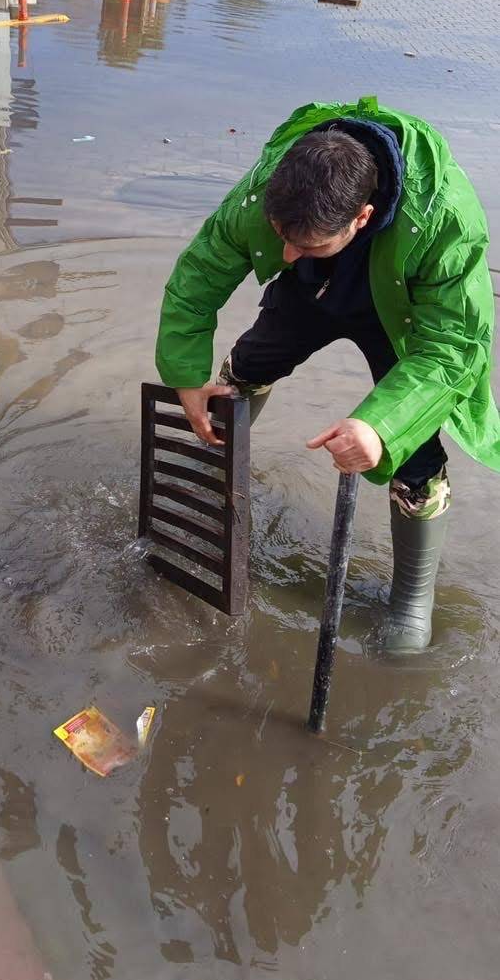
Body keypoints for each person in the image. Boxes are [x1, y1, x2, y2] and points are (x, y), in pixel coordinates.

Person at [155, 98, 500, 654]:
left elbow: (454, 348)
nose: (283, 253)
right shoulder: (274, 191)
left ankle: (412, 597)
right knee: (245, 369)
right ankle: (215, 480)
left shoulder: (445, 219)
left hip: (402, 311)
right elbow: (202, 271)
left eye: (302, 242)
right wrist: (185, 373)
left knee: (413, 455)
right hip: (314, 286)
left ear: (362, 217)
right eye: (279, 236)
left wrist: (379, 426)